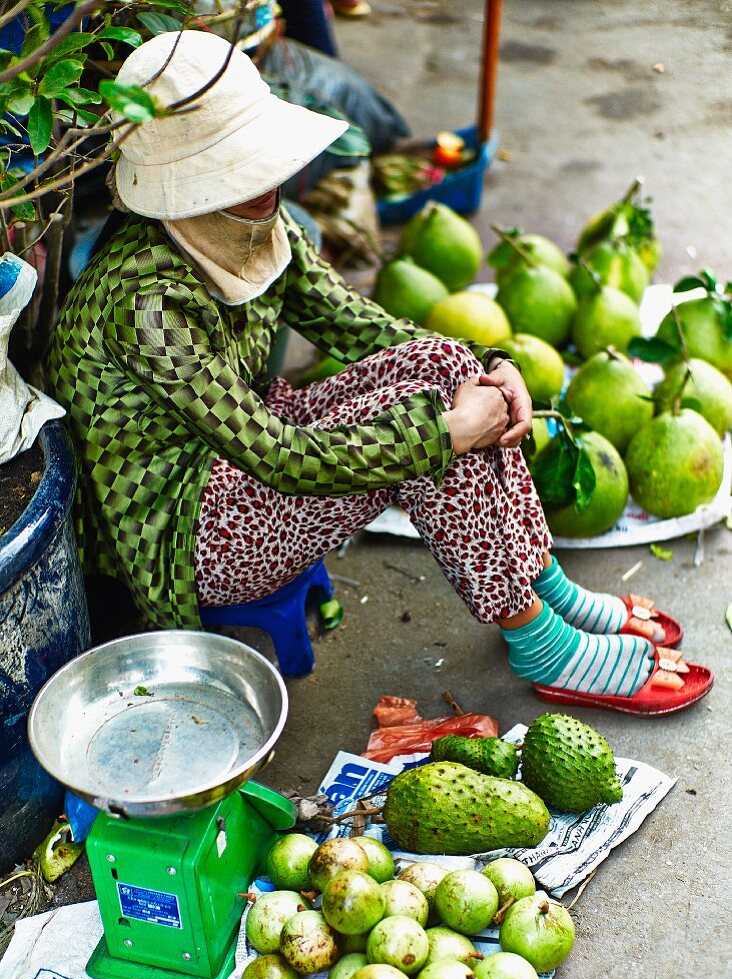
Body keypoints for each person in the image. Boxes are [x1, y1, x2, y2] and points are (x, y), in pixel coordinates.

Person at [47, 31, 711, 715]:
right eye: (242, 174)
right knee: (426, 436)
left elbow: (359, 325)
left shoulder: (254, 223)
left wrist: (492, 366)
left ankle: (545, 585)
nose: (268, 185)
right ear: (185, 190)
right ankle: (540, 640)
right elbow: (281, 461)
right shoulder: (144, 304)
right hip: (190, 533)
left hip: (245, 454)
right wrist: (444, 434)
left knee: (448, 368)